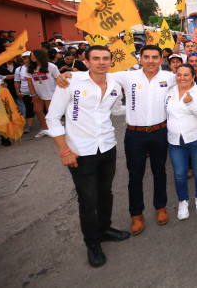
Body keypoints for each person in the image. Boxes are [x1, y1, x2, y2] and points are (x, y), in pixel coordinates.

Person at [58, 44, 176, 234]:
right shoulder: (126, 76)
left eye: (155, 57)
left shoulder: (170, 78)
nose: (151, 61)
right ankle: (136, 214)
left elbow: (192, 79)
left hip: (160, 133)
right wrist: (67, 75)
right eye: (146, 57)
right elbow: (98, 73)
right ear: (140, 58)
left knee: (159, 172)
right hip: (134, 134)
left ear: (162, 60)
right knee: (135, 175)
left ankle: (160, 207)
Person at [45, 45, 131, 268]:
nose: (101, 62)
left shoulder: (114, 84)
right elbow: (52, 119)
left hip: (107, 147)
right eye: (96, 58)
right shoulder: (70, 82)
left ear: (111, 61)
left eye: (105, 58)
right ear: (87, 60)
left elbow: (115, 111)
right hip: (79, 152)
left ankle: (104, 229)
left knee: (106, 193)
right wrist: (64, 151)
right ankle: (92, 243)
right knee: (88, 200)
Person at [165, 64, 197, 219]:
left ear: (192, 77)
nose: (182, 78)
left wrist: (190, 103)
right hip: (175, 140)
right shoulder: (169, 92)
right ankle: (183, 200)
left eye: (186, 75)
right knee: (179, 173)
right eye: (179, 74)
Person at [25, 49, 61, 137]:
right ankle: (45, 129)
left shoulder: (51, 66)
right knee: (37, 110)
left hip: (51, 93)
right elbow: (29, 82)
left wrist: (60, 92)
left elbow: (58, 78)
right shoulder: (30, 67)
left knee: (50, 112)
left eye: (34, 55)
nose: (32, 57)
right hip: (37, 94)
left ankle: (55, 129)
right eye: (31, 55)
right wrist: (33, 94)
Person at [13, 51, 35, 134]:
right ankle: (29, 126)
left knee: (39, 109)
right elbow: (17, 82)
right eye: (24, 58)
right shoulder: (19, 69)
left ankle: (47, 125)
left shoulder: (36, 67)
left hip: (37, 92)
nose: (27, 60)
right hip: (25, 92)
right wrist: (18, 92)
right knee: (29, 108)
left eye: (28, 58)